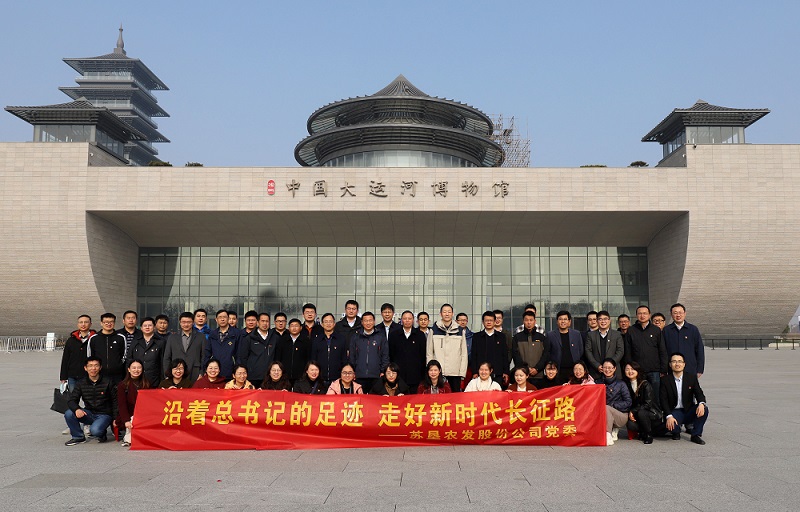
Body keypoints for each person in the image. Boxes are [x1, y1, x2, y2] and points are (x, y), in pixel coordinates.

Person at [64, 356, 117, 446]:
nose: (93, 368)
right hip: (89, 413)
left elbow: (115, 401)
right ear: (85, 368)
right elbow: (72, 400)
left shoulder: (108, 381)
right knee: (69, 413)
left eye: (96, 365)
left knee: (95, 431)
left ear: (100, 367)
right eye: (90, 366)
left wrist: (115, 418)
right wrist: (77, 409)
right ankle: (78, 437)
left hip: (105, 414)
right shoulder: (81, 383)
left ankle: (101, 433)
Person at [660, 352, 708, 444]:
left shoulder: (691, 378)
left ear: (684, 364)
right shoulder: (665, 380)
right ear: (670, 364)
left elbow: (699, 393)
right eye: (674, 361)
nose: (677, 364)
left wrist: (701, 403)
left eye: (680, 361)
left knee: (704, 409)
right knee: (672, 426)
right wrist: (669, 416)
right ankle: (676, 431)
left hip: (688, 410)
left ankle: (695, 435)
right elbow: (663, 400)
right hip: (674, 411)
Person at [625, 305, 668, 404]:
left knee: (655, 396)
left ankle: (656, 413)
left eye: (645, 313)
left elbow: (662, 351)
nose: (642, 315)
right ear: (636, 315)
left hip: (654, 370)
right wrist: (630, 368)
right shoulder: (631, 330)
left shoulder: (656, 330)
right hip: (637, 371)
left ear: (649, 315)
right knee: (639, 396)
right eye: (640, 313)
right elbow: (628, 351)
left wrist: (663, 369)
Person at [428, 304, 468, 392]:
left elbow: (464, 353)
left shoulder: (460, 330)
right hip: (438, 372)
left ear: (452, 314)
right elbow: (429, 352)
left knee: (455, 397)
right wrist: (431, 369)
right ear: (440, 314)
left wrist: (462, 372)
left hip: (455, 371)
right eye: (444, 312)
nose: (447, 314)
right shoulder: (434, 329)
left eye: (449, 312)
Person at [624, 362, 664, 445]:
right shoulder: (626, 385)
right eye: (627, 369)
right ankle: (644, 431)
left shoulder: (645, 384)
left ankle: (648, 434)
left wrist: (633, 411)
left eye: (633, 369)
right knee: (630, 425)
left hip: (651, 414)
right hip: (638, 414)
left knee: (641, 412)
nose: (630, 371)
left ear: (638, 371)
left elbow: (648, 404)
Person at [388, 310, 427, 393]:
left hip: (415, 375)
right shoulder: (394, 335)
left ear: (413, 320)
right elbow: (391, 354)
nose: (407, 320)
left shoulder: (420, 335)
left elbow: (423, 355)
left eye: (409, 318)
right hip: (399, 375)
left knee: (414, 398)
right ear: (401, 320)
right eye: (405, 318)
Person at [349, 311, 389, 390]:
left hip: (376, 376)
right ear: (362, 322)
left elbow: (385, 356)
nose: (368, 323)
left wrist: (383, 371)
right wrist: (353, 371)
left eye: (370, 320)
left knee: (375, 397)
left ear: (374, 322)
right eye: (365, 321)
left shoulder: (381, 337)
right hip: (359, 376)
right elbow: (352, 356)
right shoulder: (356, 337)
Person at [663, 303, 705, 376]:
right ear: (671, 314)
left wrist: (700, 369)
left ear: (685, 313)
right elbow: (663, 351)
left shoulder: (693, 329)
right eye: (675, 313)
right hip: (672, 369)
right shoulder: (666, 330)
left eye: (680, 312)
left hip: (690, 368)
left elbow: (699, 350)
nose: (678, 315)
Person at [116, 359, 151, 448]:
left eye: (139, 368)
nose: (136, 370)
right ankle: (129, 438)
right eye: (134, 368)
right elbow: (122, 405)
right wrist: (126, 420)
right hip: (128, 415)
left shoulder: (147, 383)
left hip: (143, 414)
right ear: (129, 369)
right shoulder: (122, 385)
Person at [163, 311, 206, 381]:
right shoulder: (172, 337)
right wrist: (167, 375)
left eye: (189, 322)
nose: (186, 324)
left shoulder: (201, 337)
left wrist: (202, 372)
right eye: (183, 322)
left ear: (193, 322)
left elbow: (204, 356)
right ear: (180, 322)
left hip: (195, 373)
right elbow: (167, 358)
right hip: (176, 374)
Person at [470, 311, 508, 387]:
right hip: (481, 373)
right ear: (483, 322)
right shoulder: (477, 337)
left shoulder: (501, 336)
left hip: (498, 373)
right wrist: (474, 372)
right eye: (486, 320)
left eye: (491, 320)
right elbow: (474, 355)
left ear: (494, 322)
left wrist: (506, 372)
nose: (489, 322)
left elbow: (505, 355)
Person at [238, 312, 277, 386]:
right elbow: (243, 357)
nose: (265, 323)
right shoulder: (249, 338)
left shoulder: (275, 338)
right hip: (253, 377)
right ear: (258, 322)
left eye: (267, 321)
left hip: (270, 377)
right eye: (262, 321)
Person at [88, 313, 127, 385]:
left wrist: (118, 365)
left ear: (114, 323)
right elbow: (90, 356)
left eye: (111, 322)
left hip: (117, 375)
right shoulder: (94, 338)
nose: (109, 324)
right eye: (106, 322)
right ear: (101, 323)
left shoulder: (120, 337)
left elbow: (124, 354)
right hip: (99, 374)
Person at [311, 313, 348, 388]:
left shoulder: (341, 339)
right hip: (320, 378)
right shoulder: (317, 340)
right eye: (326, 322)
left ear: (334, 324)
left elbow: (344, 359)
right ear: (322, 324)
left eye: (330, 321)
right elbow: (313, 359)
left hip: (337, 378)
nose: (328, 324)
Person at [125, 317, 165, 387]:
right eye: (145, 325)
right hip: (137, 379)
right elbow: (129, 359)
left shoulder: (161, 342)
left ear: (154, 327)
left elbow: (163, 362)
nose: (147, 327)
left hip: (154, 379)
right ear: (141, 328)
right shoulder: (135, 341)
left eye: (150, 325)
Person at [600, 358, 631, 446]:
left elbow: (628, 402)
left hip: (621, 415)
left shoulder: (621, 384)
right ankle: (612, 429)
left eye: (610, 368)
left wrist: (613, 405)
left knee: (607, 408)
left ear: (614, 369)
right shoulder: (598, 382)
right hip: (603, 414)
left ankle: (608, 434)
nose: (607, 370)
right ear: (602, 368)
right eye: (605, 367)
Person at [545, 310, 584, 382]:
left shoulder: (576, 334)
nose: (563, 321)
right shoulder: (550, 335)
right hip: (558, 370)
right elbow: (547, 352)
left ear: (569, 322)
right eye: (560, 319)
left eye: (565, 319)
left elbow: (580, 350)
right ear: (557, 321)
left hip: (573, 370)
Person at [585, 311, 625, 380]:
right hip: (596, 371)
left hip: (613, 371)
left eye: (605, 319)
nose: (603, 321)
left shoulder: (617, 334)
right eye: (600, 319)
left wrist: (610, 365)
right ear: (597, 321)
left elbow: (620, 351)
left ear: (609, 321)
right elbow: (588, 351)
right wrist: (597, 365)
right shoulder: (590, 335)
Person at [60, 314, 95, 391]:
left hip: (90, 375)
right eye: (81, 322)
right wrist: (63, 377)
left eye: (86, 322)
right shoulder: (71, 340)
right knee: (73, 396)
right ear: (77, 324)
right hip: (73, 376)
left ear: (90, 324)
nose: (83, 324)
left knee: (89, 397)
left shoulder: (95, 339)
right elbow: (65, 358)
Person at [512, 311, 550, 380]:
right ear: (523, 321)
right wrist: (525, 369)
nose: (529, 322)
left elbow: (546, 354)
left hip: (539, 375)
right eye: (526, 320)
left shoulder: (542, 337)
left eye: (531, 320)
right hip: (522, 376)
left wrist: (537, 368)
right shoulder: (517, 337)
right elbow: (515, 355)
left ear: (535, 321)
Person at [204, 309, 241, 380]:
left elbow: (240, 354)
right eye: (220, 317)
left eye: (224, 317)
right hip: (215, 373)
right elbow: (207, 353)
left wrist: (238, 370)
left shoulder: (237, 334)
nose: (222, 319)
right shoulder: (212, 334)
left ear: (228, 319)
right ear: (216, 320)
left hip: (231, 373)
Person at [275, 318, 311, 386]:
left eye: (296, 326)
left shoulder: (306, 341)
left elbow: (308, 358)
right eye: (292, 326)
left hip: (301, 376)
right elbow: (278, 357)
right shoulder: (282, 340)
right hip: (284, 376)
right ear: (288, 328)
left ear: (300, 328)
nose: (294, 328)